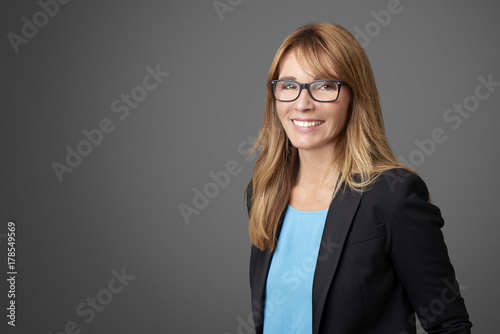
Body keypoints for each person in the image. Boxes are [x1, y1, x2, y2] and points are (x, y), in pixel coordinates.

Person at [245, 23, 472, 334]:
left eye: (324, 85)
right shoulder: (264, 191)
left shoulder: (393, 196)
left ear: (355, 95)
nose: (302, 103)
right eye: (288, 85)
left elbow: (450, 325)